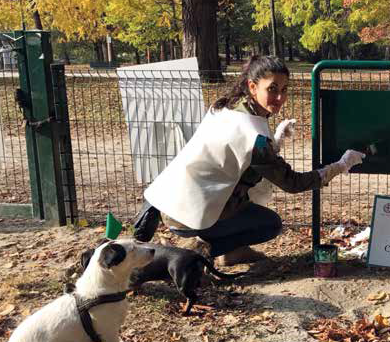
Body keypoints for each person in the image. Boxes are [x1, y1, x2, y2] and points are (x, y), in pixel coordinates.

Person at [133, 56, 365, 266]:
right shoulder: (255, 137)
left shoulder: (225, 107)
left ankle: (233, 251)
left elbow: (237, 154)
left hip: (172, 202)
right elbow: (292, 183)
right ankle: (199, 252)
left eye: (284, 90)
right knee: (270, 224)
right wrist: (339, 166)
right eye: (272, 89)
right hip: (191, 215)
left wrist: (274, 142)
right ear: (253, 87)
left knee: (249, 201)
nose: (280, 98)